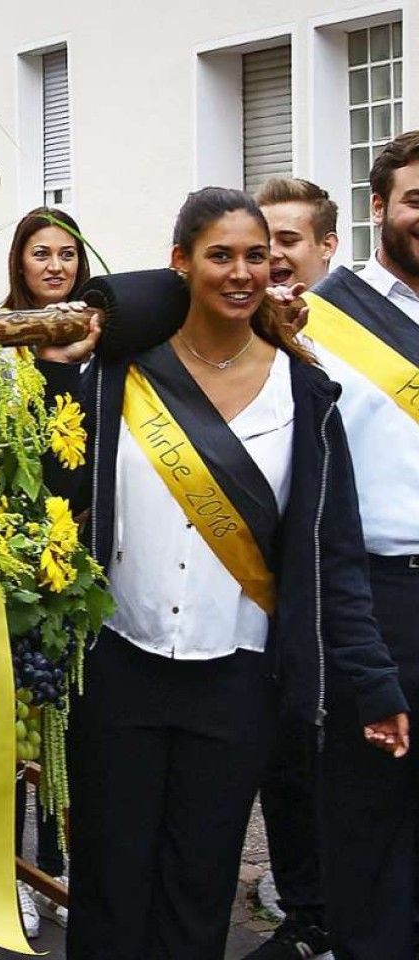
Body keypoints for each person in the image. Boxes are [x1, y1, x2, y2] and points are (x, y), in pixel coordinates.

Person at [37, 187, 408, 960]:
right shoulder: (120, 375)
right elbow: (55, 482)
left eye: (255, 257)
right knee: (111, 877)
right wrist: (76, 348)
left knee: (199, 884)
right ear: (180, 263)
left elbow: (331, 555)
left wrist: (370, 681)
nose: (240, 272)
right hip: (119, 665)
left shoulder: (305, 390)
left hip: (238, 679)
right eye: (219, 256)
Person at [297, 131, 419, 960]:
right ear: (378, 207)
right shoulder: (323, 321)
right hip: (379, 601)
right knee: (372, 818)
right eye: (416, 200)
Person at [238, 176, 340, 960]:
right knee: (288, 762)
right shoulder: (247, 337)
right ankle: (304, 908)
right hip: (277, 593)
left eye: (287, 242)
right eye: (259, 240)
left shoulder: (357, 335)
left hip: (362, 585)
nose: (271, 257)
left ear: (327, 249)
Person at [0, 206, 92, 938]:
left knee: (70, 726)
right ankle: (10, 871)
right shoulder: (1, 345)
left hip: (88, 555)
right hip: (18, 560)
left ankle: (60, 862)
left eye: (67, 253)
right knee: (19, 729)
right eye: (41, 253)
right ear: (19, 264)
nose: (56, 265)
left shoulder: (102, 342)